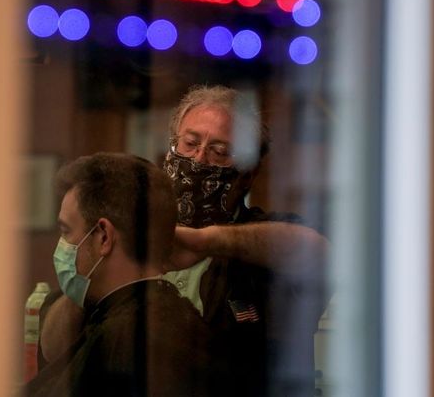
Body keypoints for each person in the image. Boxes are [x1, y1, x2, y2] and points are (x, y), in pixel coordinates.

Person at [41, 86, 330, 396]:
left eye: (220, 151)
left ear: (247, 174)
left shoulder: (261, 242)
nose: (199, 159)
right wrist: (93, 272)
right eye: (190, 144)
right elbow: (54, 349)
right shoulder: (132, 234)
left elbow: (319, 254)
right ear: (170, 152)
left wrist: (204, 241)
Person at [25, 152, 225, 397]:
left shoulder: (129, 341)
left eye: (66, 231)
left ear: (103, 237)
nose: (62, 245)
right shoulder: (164, 322)